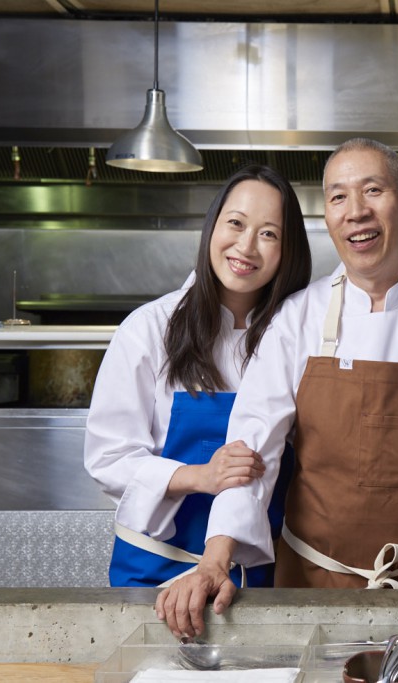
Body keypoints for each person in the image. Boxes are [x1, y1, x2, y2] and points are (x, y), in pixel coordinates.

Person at [156, 138, 398, 642]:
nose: (356, 211)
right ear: (328, 217)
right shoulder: (297, 317)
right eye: (338, 197)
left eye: (373, 190)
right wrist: (214, 559)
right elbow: (252, 448)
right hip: (308, 588)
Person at [84, 164, 312, 588]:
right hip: (155, 573)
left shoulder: (296, 339)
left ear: (288, 250)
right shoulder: (149, 328)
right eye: (236, 223)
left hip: (258, 578)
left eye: (268, 233)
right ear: (212, 227)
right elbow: (108, 459)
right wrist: (200, 476)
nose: (246, 246)